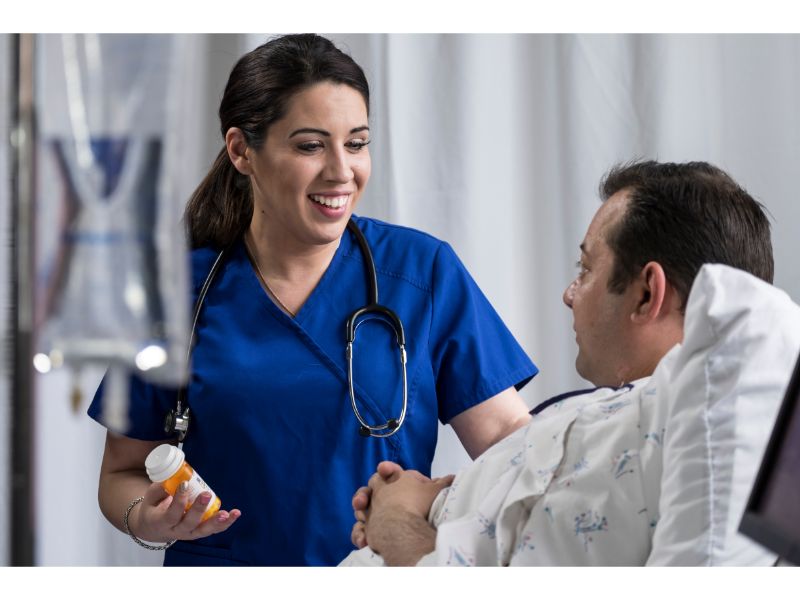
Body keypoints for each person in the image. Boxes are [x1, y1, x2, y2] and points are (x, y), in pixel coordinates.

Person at [88, 34, 538, 566]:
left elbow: (512, 446)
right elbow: (122, 472)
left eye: (356, 142)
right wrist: (147, 516)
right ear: (241, 151)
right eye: (310, 145)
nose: (341, 171)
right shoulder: (171, 292)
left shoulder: (422, 273)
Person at [345, 160, 775, 566]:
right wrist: (436, 498)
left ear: (647, 294)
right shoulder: (608, 417)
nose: (570, 294)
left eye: (585, 269)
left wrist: (396, 519)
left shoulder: (665, 446)